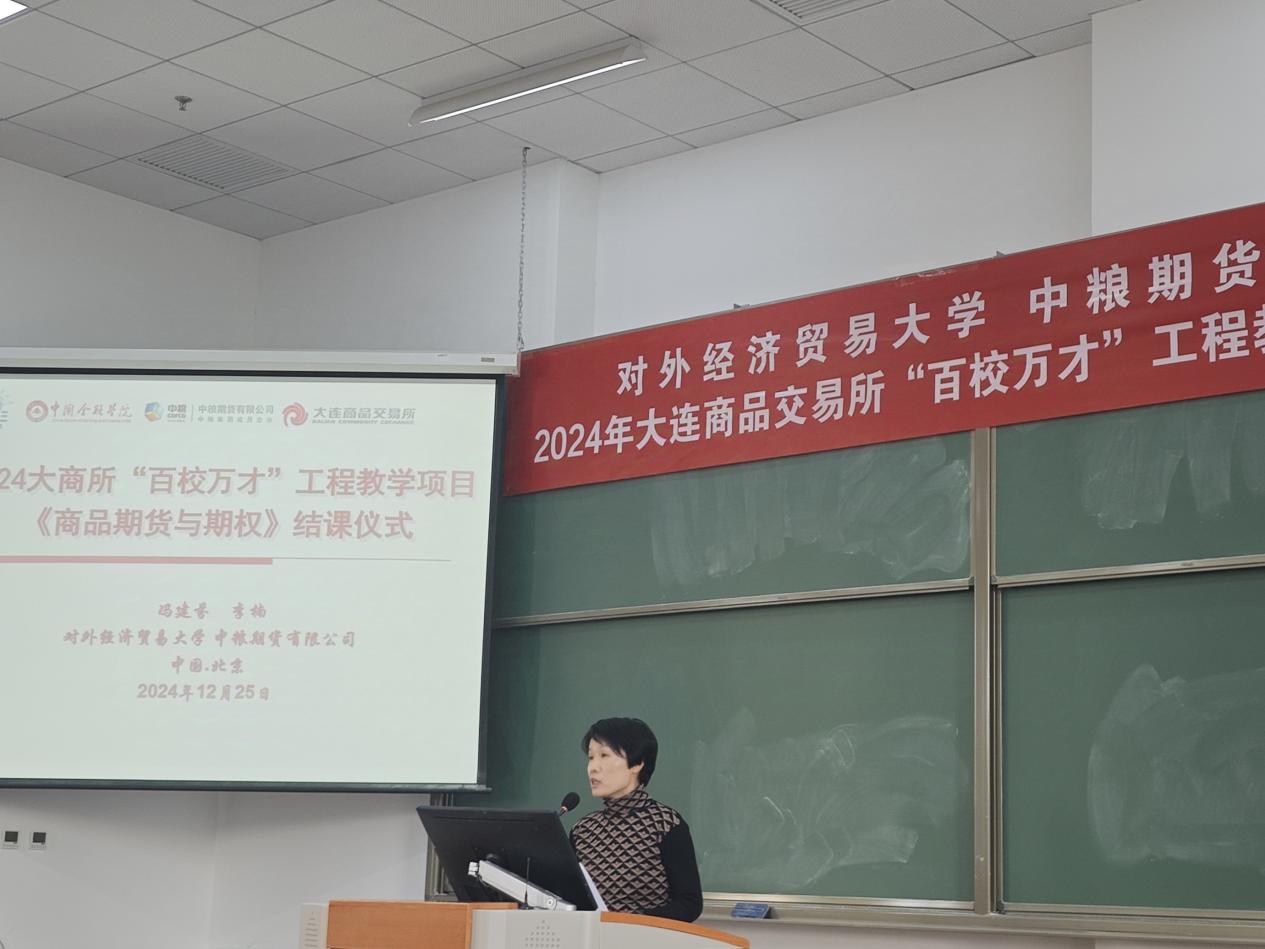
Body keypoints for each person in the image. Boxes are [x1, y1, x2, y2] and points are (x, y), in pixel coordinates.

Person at [569, 717, 703, 922]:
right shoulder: (582, 830)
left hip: (644, 936)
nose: (593, 768)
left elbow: (689, 903)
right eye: (591, 757)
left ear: (637, 763)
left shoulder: (666, 824)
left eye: (604, 755)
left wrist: (634, 922)